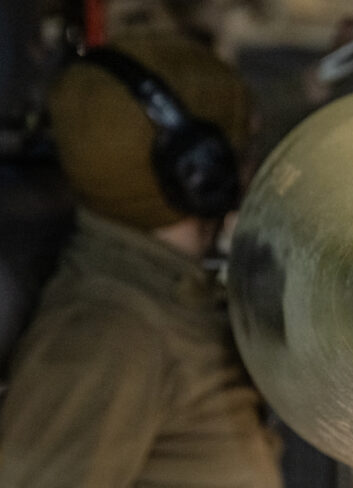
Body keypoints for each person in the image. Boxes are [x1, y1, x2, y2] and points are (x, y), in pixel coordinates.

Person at [0, 35, 282, 487]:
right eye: (239, 137)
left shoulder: (170, 295)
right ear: (200, 169)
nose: (251, 153)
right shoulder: (111, 333)